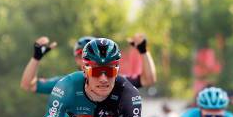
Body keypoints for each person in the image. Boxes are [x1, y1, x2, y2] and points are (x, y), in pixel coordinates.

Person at [20, 34, 157, 94]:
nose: (83, 59)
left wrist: (144, 52)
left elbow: (148, 79)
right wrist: (36, 57)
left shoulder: (110, 79)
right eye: (80, 55)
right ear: (76, 59)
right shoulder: (69, 83)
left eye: (87, 55)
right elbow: (28, 85)